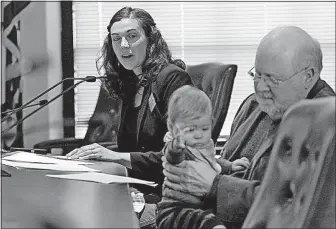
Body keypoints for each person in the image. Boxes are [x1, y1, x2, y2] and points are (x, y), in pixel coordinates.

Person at [159, 26, 335, 229]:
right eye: (257, 76)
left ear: (308, 76)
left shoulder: (326, 127)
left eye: (272, 79)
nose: (260, 87)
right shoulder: (253, 105)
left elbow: (297, 208)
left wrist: (216, 186)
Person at [66, 6, 192, 228]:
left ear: (150, 39)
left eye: (132, 36)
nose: (123, 46)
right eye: (116, 39)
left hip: (168, 198)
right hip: (137, 191)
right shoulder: (131, 82)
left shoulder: (171, 79)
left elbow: (182, 156)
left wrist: (116, 157)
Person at [157, 85, 250, 229]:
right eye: (191, 129)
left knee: (209, 218)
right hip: (175, 210)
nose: (199, 134)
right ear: (172, 127)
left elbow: (211, 161)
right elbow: (172, 157)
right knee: (209, 222)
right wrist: (176, 145)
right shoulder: (179, 147)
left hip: (200, 206)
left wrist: (230, 166)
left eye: (205, 128)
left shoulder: (205, 144)